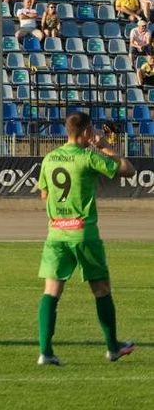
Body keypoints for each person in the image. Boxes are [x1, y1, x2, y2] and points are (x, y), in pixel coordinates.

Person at [34, 113, 135, 366]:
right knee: (101, 289)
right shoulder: (88, 156)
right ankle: (112, 347)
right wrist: (105, 146)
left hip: (56, 232)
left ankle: (45, 352)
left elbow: (44, 196)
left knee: (51, 291)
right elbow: (128, 170)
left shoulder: (49, 158)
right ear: (87, 132)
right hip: (83, 232)